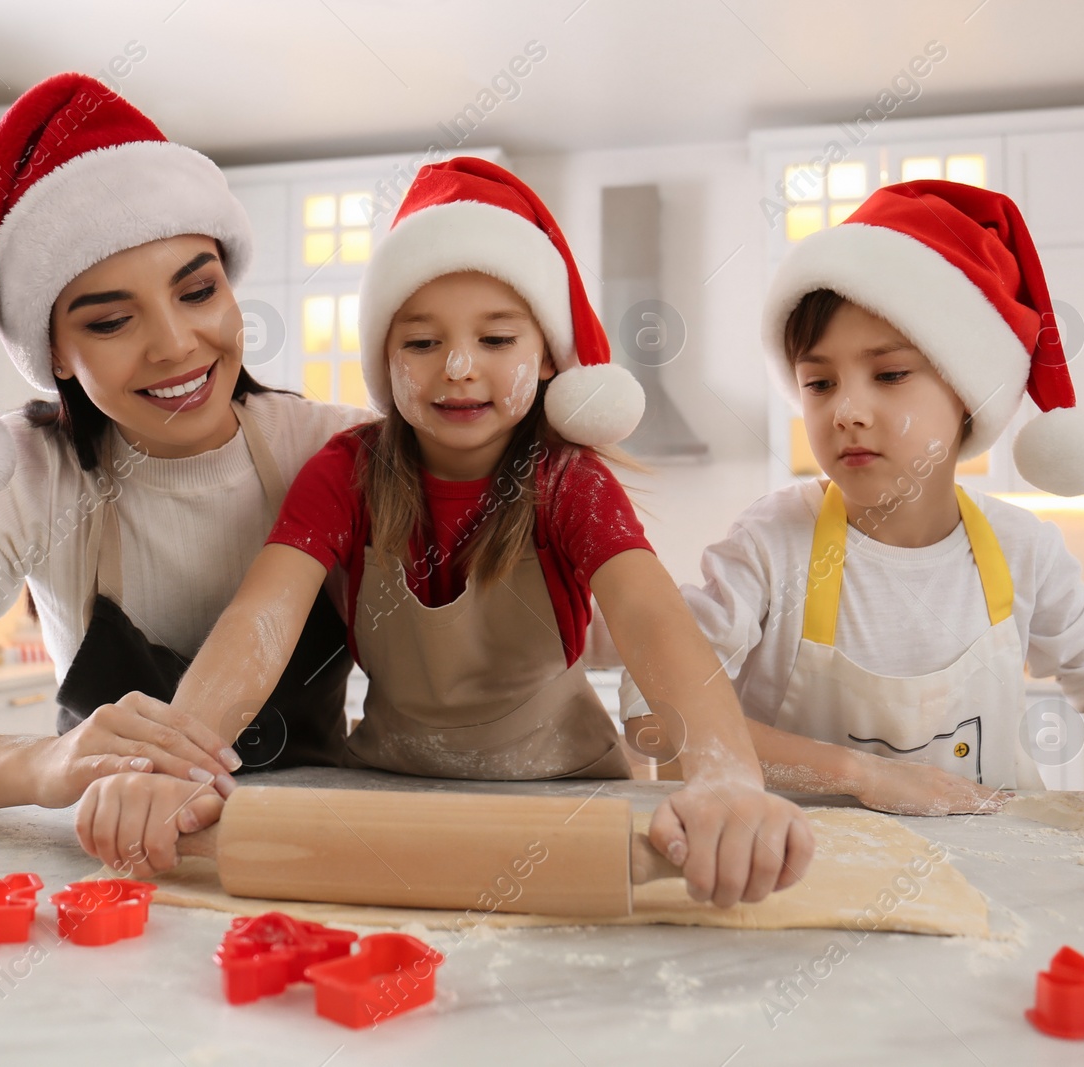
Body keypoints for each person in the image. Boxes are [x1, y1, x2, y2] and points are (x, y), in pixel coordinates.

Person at [75, 158, 815, 907]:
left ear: (546, 358)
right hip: (388, 796)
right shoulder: (346, 472)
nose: (459, 368)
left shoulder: (569, 484)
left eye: (496, 340)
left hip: (565, 801)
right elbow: (260, 619)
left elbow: (654, 618)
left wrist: (725, 774)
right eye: (422, 343)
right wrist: (175, 762)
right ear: (385, 361)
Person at [0, 73, 366, 817]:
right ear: (54, 350)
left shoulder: (334, 449)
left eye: (198, 292)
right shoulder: (27, 475)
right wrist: (37, 764)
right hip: (111, 871)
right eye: (109, 321)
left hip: (309, 849)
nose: (176, 345)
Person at [619, 180, 1084, 835]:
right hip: (809, 877)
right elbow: (657, 715)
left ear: (967, 393)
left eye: (889, 374)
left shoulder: (1021, 549)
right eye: (820, 383)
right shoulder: (772, 545)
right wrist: (864, 776)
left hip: (1003, 879)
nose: (847, 410)